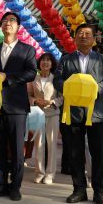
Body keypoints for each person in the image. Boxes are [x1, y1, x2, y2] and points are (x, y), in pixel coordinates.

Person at [53, 23, 103, 204]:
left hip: (96, 112)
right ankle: (79, 189)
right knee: (75, 153)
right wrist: (68, 88)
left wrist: (96, 89)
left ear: (94, 39)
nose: (83, 36)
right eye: (80, 33)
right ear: (74, 38)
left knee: (98, 153)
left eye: (87, 34)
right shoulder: (66, 59)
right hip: (72, 112)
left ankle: (99, 191)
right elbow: (57, 79)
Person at [0, 12, 37, 201]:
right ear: (1, 26)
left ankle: (15, 186)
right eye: (4, 21)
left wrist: (8, 77)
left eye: (12, 21)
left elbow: (31, 73)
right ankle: (0, 184)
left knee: (16, 148)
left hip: (17, 105)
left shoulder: (27, 50)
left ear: (18, 27)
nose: (8, 23)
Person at [28, 53, 63, 185]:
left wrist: (52, 102)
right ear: (39, 63)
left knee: (52, 144)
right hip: (38, 114)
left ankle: (50, 174)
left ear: (52, 64)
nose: (45, 63)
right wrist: (35, 101)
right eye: (43, 60)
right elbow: (28, 96)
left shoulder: (56, 79)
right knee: (39, 144)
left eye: (48, 60)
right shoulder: (33, 79)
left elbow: (62, 96)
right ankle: (39, 172)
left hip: (52, 114)